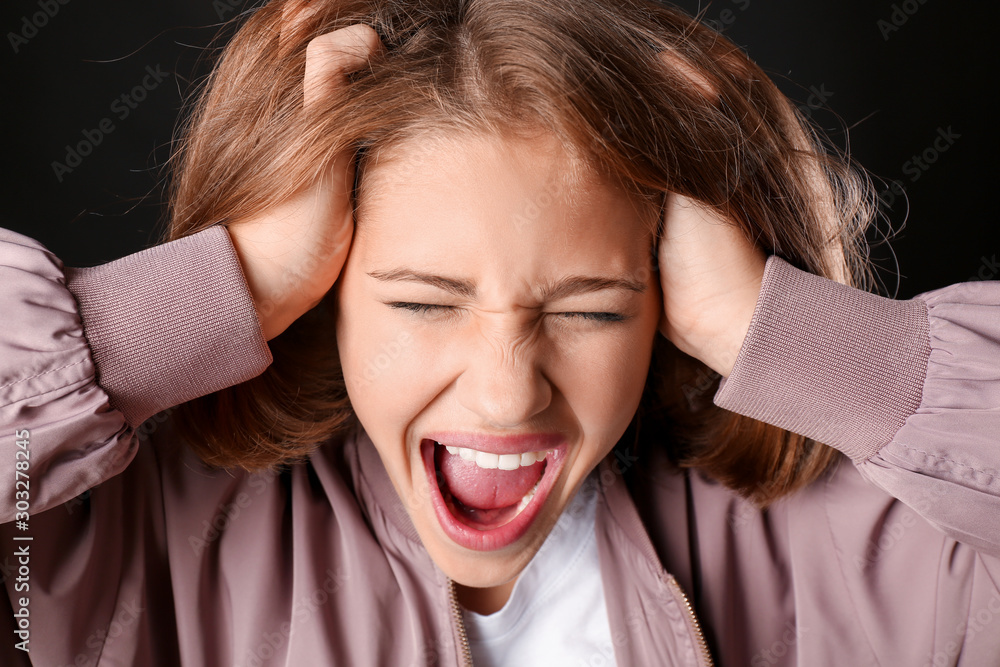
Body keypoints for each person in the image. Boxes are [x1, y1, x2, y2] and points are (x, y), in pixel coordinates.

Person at [2, 0, 998, 665]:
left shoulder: (859, 546)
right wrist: (237, 279)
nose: (507, 391)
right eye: (422, 301)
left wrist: (759, 326)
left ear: (665, 301)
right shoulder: (119, 547)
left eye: (589, 309)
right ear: (323, 299)